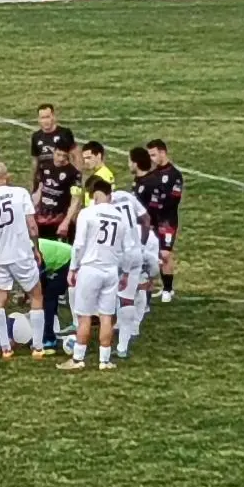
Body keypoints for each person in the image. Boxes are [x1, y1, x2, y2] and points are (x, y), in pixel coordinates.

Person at [57, 179, 136, 372]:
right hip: (110, 270)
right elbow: (129, 250)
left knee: (84, 316)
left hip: (90, 268)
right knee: (107, 316)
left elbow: (79, 244)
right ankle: (104, 360)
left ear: (94, 194)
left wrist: (73, 268)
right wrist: (125, 272)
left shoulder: (87, 213)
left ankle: (78, 359)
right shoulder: (120, 217)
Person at [0, 162, 47, 359]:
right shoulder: (20, 193)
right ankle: (38, 347)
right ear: (7, 176)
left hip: (0, 257)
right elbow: (32, 224)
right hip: (21, 253)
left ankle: (6, 347)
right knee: (36, 295)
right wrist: (36, 248)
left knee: (1, 298)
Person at [109, 183, 151, 358]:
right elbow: (146, 219)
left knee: (104, 295)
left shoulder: (100, 208)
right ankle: (122, 346)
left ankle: (99, 342)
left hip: (115, 255)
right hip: (135, 253)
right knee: (127, 298)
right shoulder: (127, 196)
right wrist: (141, 243)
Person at [138, 141, 183, 302]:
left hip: (167, 221)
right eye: (149, 155)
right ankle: (160, 286)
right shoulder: (153, 175)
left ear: (163, 153)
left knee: (165, 254)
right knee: (155, 253)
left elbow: (174, 199)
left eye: (154, 154)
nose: (151, 158)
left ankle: (168, 289)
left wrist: (158, 208)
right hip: (154, 221)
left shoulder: (174, 175)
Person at [33, 138, 82, 241]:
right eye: (58, 154)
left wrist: (66, 222)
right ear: (53, 151)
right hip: (41, 219)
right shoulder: (44, 166)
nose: (61, 159)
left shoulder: (73, 174)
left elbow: (75, 201)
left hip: (59, 222)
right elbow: (40, 190)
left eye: (64, 156)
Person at [30, 103, 77, 190]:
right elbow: (35, 161)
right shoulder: (36, 136)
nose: (45, 121)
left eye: (48, 117)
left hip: (63, 179)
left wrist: (77, 178)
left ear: (53, 117)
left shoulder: (64, 133)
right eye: (42, 118)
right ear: (38, 120)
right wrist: (34, 184)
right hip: (44, 181)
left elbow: (75, 156)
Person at [38, 238, 73, 352]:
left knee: (49, 297)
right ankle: (51, 329)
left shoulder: (27, 252)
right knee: (47, 296)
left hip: (67, 260)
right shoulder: (23, 245)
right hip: (60, 258)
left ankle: (49, 339)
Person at [81, 141, 114, 206]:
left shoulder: (101, 177)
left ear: (99, 156)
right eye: (84, 158)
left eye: (89, 158)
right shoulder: (104, 172)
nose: (86, 161)